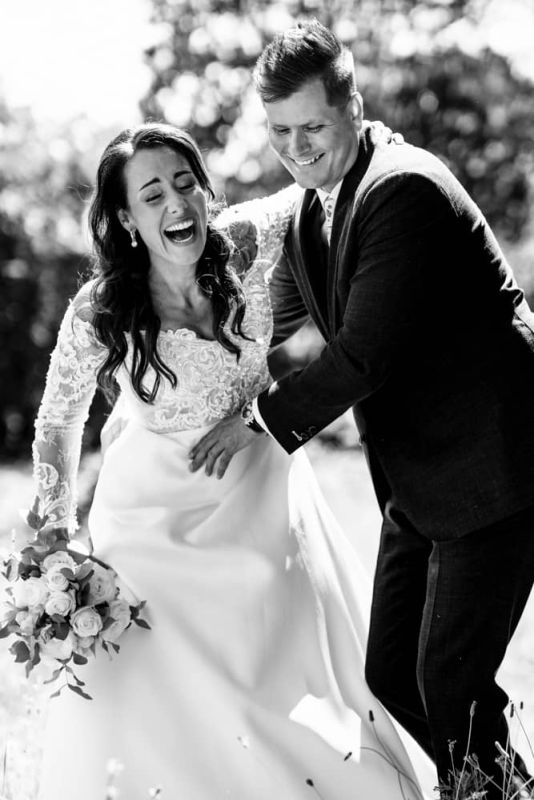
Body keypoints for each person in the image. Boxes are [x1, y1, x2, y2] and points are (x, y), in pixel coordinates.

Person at [31, 122, 433, 800]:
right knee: (177, 691)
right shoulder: (102, 309)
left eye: (185, 183)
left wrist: (368, 137)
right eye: (152, 195)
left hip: (264, 498)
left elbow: (315, 185)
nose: (176, 203)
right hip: (155, 524)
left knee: (286, 680)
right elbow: (56, 422)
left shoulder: (244, 240)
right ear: (127, 220)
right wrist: (55, 534)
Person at [189, 19, 534, 798]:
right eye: (280, 131)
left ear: (352, 105)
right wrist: (189, 366)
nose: (296, 148)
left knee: (449, 680)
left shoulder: (403, 189)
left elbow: (363, 354)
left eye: (312, 127)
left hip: (494, 462)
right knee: (391, 674)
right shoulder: (312, 210)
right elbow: (274, 325)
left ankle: (490, 792)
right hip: (419, 478)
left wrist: (256, 422)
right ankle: (500, 788)